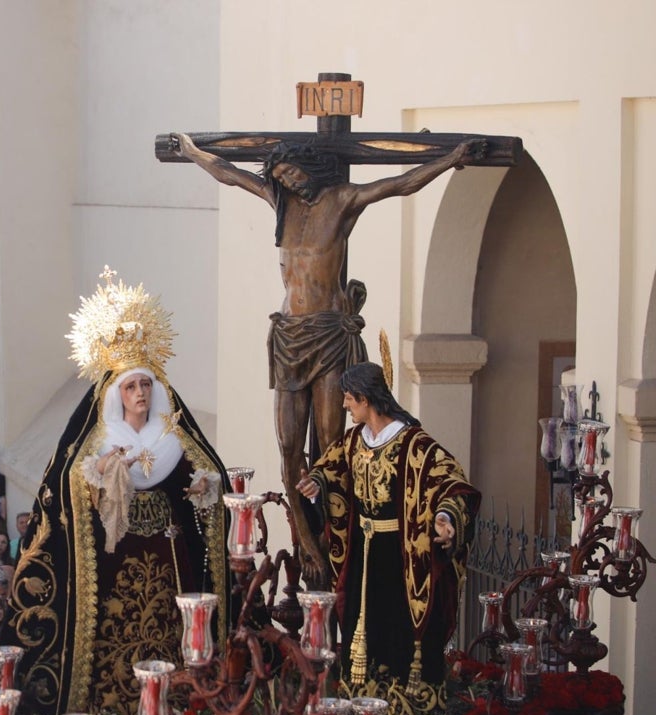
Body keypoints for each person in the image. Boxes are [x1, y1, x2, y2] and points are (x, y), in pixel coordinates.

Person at [173, 132, 486, 581]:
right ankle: (306, 542)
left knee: (331, 441)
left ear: (311, 167)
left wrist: (451, 158)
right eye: (281, 177)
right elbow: (230, 175)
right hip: (288, 337)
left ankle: (332, 540)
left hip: (328, 335)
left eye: (294, 174)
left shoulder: (341, 200)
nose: (290, 183)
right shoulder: (281, 204)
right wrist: (192, 152)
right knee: (287, 445)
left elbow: (400, 184)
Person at [4, 269, 229, 715]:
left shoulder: (173, 439)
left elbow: (201, 481)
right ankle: (109, 714)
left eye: (146, 384)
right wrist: (106, 472)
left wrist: (205, 487)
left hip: (169, 560)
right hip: (111, 563)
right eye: (131, 385)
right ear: (116, 393)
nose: (140, 392)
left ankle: (176, 706)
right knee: (113, 634)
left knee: (169, 633)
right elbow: (65, 491)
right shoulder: (98, 442)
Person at [295, 362, 480, 698]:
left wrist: (447, 517)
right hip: (361, 555)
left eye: (349, 398)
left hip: (400, 557)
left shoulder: (414, 444)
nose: (344, 405)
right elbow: (332, 468)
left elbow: (451, 482)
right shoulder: (353, 441)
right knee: (359, 631)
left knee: (398, 631)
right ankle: (361, 712)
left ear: (366, 399)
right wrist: (318, 484)